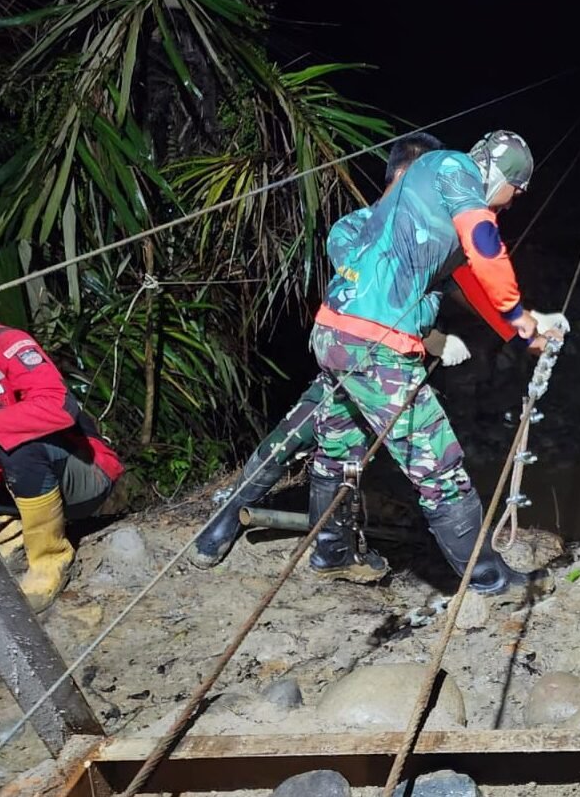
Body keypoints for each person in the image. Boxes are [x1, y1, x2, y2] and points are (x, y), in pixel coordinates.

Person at [190, 131, 471, 568]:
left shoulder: (431, 238)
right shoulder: (356, 227)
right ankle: (226, 520)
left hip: (384, 360)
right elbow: (374, 290)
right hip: (356, 353)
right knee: (296, 432)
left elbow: (458, 288)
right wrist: (433, 338)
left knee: (336, 448)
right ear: (405, 177)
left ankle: (330, 550)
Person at [308, 130, 564, 592]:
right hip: (377, 345)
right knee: (439, 467)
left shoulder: (433, 192)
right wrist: (515, 310)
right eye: (516, 192)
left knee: (338, 452)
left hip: (336, 332)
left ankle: (332, 552)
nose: (511, 204)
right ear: (501, 175)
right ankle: (490, 581)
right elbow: (484, 243)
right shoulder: (455, 170)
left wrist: (519, 327)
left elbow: (465, 277)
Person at [0, 268, 123, 611]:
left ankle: (50, 559)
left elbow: (58, 408)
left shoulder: (3, 344)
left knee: (20, 444)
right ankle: (9, 534)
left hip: (78, 477)